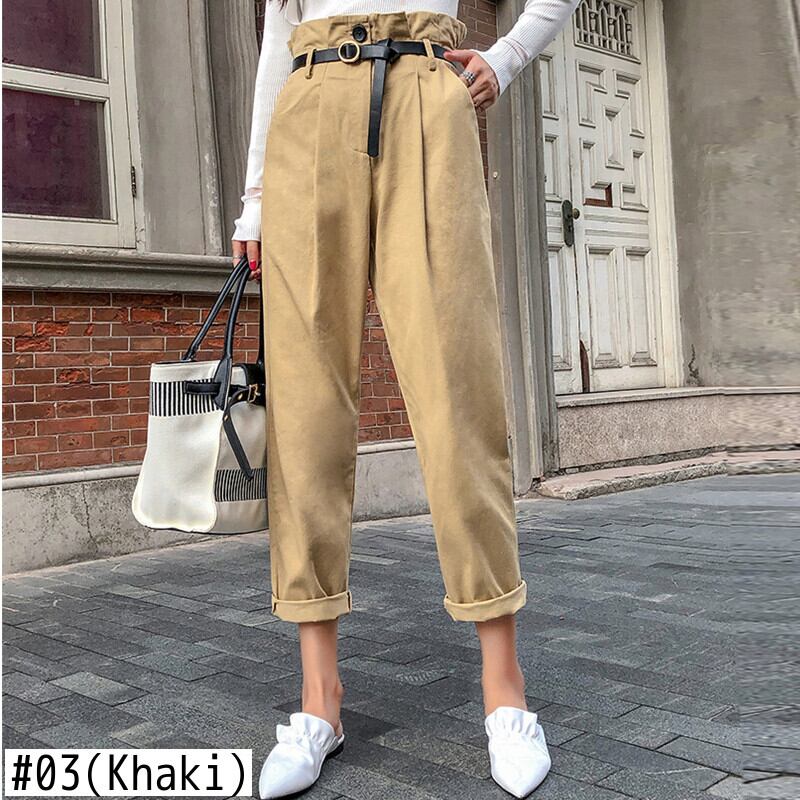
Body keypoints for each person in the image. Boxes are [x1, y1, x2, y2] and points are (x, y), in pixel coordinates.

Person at [231, 2, 579, 797]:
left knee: (460, 392)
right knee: (306, 412)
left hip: (427, 97)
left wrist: (509, 55)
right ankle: (319, 700)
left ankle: (505, 692)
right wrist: (255, 196)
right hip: (307, 110)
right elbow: (277, 43)